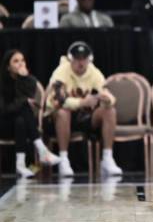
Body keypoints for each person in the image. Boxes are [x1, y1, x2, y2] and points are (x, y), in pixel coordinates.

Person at [44, 42, 123, 177]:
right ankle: (64, 159)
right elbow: (57, 101)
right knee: (63, 112)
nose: (81, 63)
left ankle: (107, 158)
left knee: (109, 111)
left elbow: (108, 93)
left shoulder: (94, 72)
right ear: (70, 59)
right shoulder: (61, 72)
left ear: (89, 59)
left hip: (83, 118)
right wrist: (81, 102)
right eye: (77, 59)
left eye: (84, 59)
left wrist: (107, 99)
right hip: (57, 119)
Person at [0, 50, 60, 177]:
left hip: (23, 125)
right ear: (8, 67)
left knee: (21, 121)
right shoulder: (2, 83)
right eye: (16, 61)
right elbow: (5, 109)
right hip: (4, 123)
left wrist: (24, 78)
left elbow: (28, 94)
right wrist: (24, 102)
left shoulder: (28, 80)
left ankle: (21, 165)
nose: (20, 64)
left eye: (22, 60)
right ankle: (42, 151)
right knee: (24, 106)